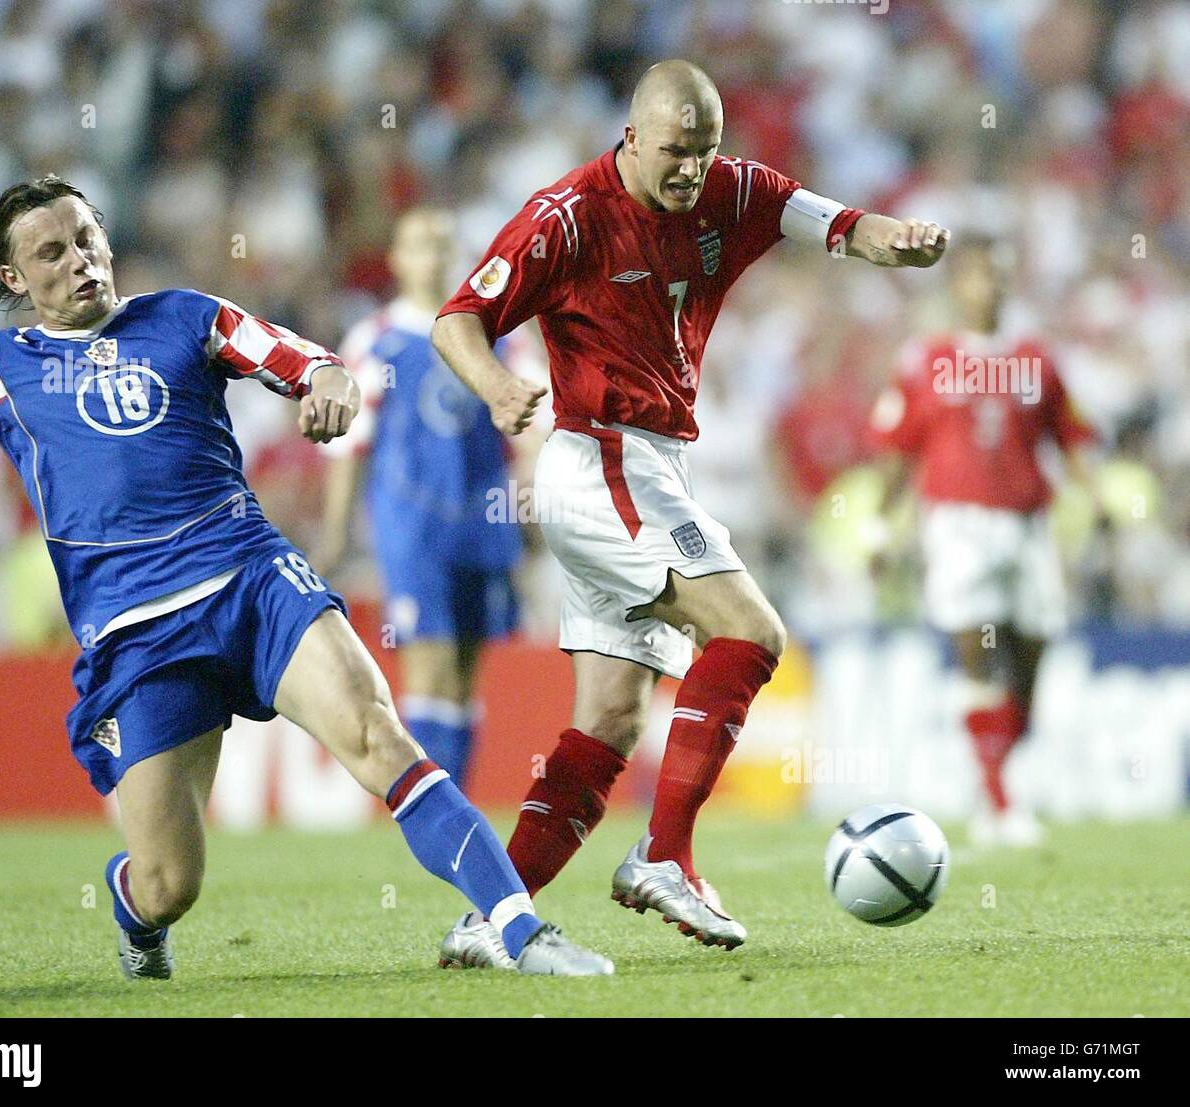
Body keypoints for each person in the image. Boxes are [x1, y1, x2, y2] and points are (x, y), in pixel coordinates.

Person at [0, 175, 612, 978]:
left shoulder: (185, 317)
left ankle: (518, 930)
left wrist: (329, 382)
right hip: (138, 632)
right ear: (15, 280)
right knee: (169, 883)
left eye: (88, 238)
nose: (81, 260)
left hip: (251, 577)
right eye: (52, 253)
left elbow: (302, 359)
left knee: (379, 733)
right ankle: (136, 913)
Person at [430, 59, 950, 966]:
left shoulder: (730, 189)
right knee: (751, 634)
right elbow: (457, 319)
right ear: (632, 137)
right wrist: (499, 385)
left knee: (610, 721)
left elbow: (833, 223)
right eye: (674, 151)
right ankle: (664, 854)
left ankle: (491, 919)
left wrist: (894, 239)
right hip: (604, 459)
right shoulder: (568, 216)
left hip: (647, 462)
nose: (690, 171)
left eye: (704, 151)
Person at [867, 234, 1102, 847]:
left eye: (998, 276)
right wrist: (877, 528)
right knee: (976, 647)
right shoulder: (926, 360)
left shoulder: (1038, 359)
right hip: (957, 524)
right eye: (977, 276)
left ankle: (997, 776)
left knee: (1029, 662)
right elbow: (896, 454)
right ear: (957, 286)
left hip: (1028, 525)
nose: (989, 287)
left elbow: (1070, 436)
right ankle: (998, 803)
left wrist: (1096, 495)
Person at [317, 207, 540, 792]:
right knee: (430, 661)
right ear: (396, 259)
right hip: (412, 524)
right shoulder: (378, 339)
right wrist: (337, 531)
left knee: (467, 671)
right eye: (420, 245)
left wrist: (534, 505)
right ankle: (428, 813)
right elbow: (351, 444)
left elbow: (532, 427)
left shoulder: (496, 337)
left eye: (443, 245)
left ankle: (454, 803)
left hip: (484, 521)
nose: (433, 257)